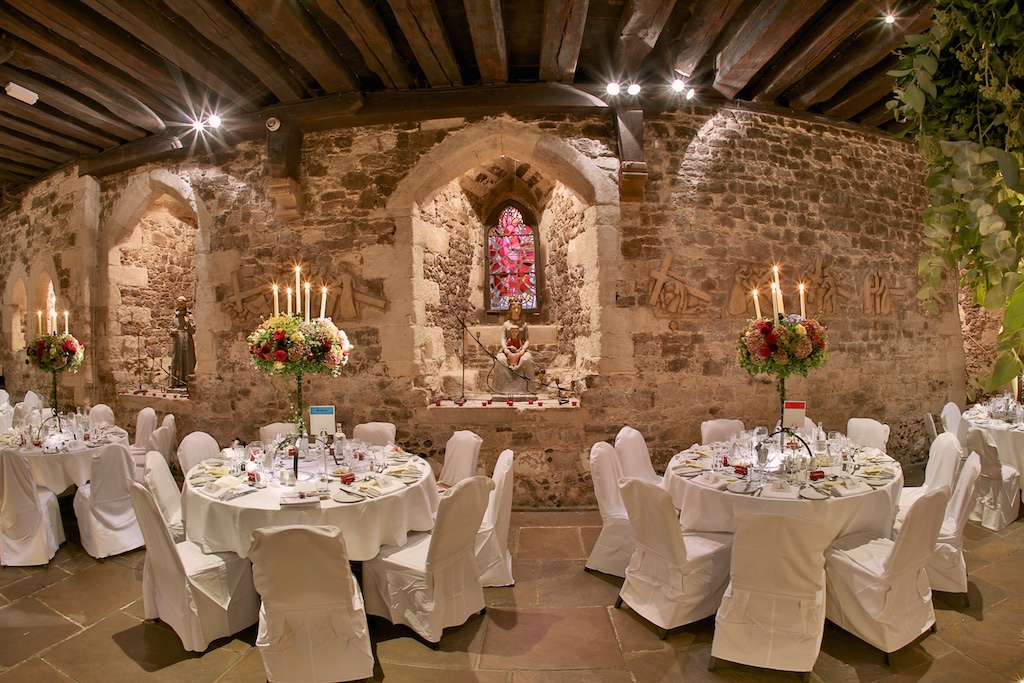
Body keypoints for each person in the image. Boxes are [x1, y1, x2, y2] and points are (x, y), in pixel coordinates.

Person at [494, 299, 534, 394]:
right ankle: (502, 389)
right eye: (514, 308)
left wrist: (523, 350)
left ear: (521, 310)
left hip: (521, 349)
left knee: (526, 360)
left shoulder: (524, 325)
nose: (516, 310)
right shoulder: (506, 324)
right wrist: (505, 349)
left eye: (518, 308)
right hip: (507, 350)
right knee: (500, 360)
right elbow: (503, 339)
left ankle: (525, 389)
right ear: (510, 310)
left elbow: (527, 340)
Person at [169, 296, 196, 388]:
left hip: (187, 341)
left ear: (185, 304)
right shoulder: (174, 317)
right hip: (178, 342)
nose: (180, 306)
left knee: (188, 360)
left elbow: (193, 330)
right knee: (177, 360)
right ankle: (176, 382)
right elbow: (171, 327)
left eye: (182, 304)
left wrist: (188, 323)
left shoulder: (189, 316)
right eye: (178, 304)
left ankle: (188, 382)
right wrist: (172, 331)